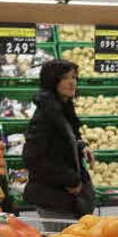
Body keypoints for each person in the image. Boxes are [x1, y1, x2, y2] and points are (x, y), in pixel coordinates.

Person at [23, 59, 95, 222]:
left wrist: (81, 147)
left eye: (74, 77)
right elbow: (32, 157)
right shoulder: (45, 116)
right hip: (54, 198)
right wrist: (69, 179)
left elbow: (66, 138)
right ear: (52, 81)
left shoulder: (63, 107)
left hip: (64, 197)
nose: (72, 83)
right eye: (65, 78)